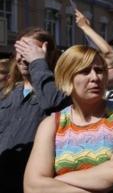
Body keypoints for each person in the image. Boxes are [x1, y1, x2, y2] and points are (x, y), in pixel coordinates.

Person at [24, 45, 113, 193]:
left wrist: (52, 183)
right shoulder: (51, 124)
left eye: (99, 71)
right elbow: (32, 188)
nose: (95, 78)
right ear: (67, 76)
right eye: (85, 71)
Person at [0, 27, 70, 192]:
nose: (24, 58)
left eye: (31, 51)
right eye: (21, 50)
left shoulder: (58, 92)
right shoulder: (6, 93)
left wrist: (38, 63)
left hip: (30, 184)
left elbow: (53, 104)